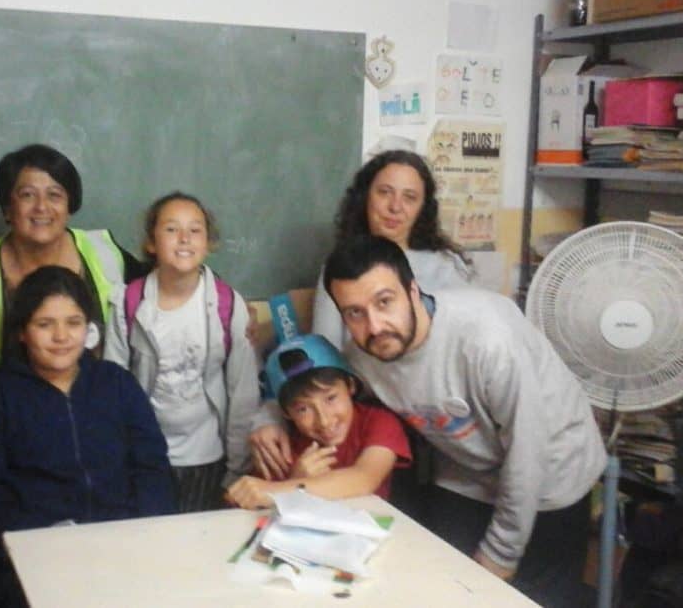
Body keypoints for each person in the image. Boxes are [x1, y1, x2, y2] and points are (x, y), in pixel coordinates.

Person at [253, 236, 606, 607]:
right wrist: (269, 416)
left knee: (527, 598)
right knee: (437, 586)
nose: (374, 326)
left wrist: (499, 555)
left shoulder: (487, 339)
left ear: (413, 290)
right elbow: (315, 382)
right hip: (468, 475)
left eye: (384, 302)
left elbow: (529, 452)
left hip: (551, 474)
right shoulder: (366, 355)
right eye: (355, 313)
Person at [0, 265, 175, 607]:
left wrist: (135, 534)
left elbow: (153, 468)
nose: (61, 337)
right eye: (45, 324)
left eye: (73, 323)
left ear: (88, 328)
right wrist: (47, 544)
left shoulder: (115, 383)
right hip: (34, 560)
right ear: (22, 332)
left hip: (122, 550)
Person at [104, 192, 260, 512]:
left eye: (196, 229)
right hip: (146, 456)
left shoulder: (228, 306)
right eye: (172, 229)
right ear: (151, 242)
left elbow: (242, 394)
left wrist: (237, 469)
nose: (184, 238)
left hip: (207, 457)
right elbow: (112, 388)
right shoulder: (127, 303)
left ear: (209, 243)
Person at [0, 144, 147, 378]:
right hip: (4, 407)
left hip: (99, 403)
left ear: (69, 206)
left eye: (54, 195)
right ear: (7, 208)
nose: (41, 207)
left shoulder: (106, 254)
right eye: (27, 195)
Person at [225, 333, 409, 509]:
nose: (324, 420)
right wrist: (292, 479)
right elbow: (240, 496)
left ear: (350, 385)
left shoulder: (378, 422)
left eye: (331, 398)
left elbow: (363, 479)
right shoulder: (284, 446)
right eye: (303, 409)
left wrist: (289, 489)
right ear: (286, 413)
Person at [311, 149, 473, 349]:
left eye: (410, 197)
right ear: (365, 197)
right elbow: (326, 354)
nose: (395, 207)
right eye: (385, 192)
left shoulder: (447, 266)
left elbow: (469, 341)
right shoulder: (341, 266)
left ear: (422, 208)